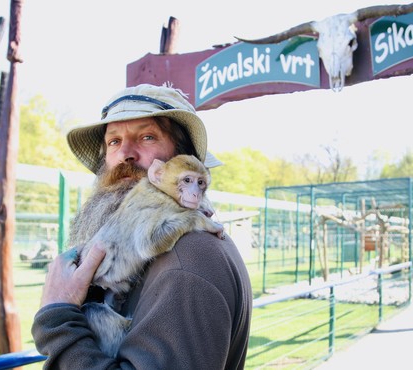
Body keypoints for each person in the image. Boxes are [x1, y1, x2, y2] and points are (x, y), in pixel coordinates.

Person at [31, 83, 253, 369]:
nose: (125, 154)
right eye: (113, 141)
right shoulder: (155, 249)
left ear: (182, 160)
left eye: (147, 137)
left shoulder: (188, 258)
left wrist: (58, 318)